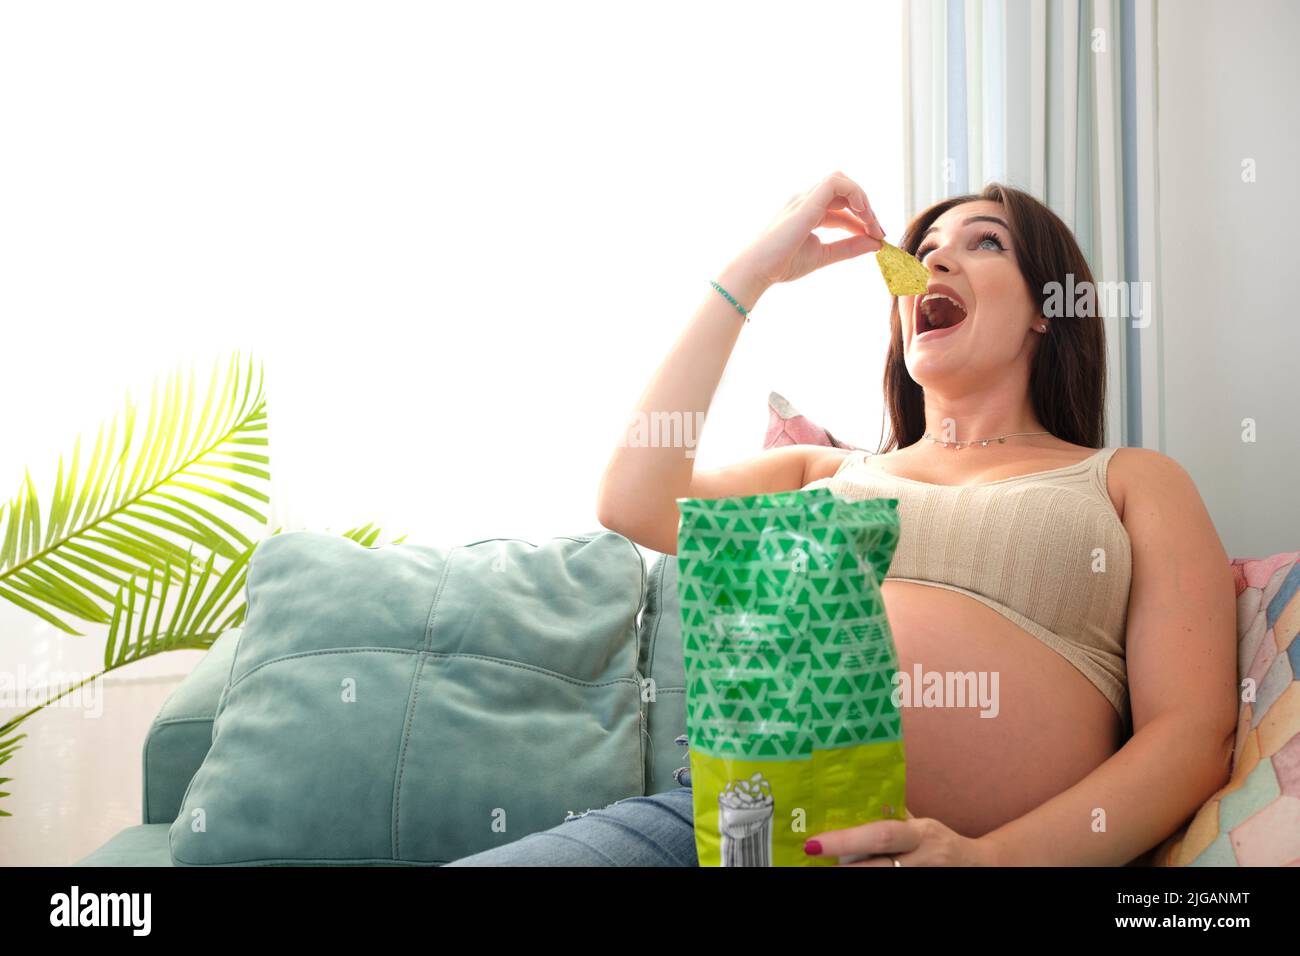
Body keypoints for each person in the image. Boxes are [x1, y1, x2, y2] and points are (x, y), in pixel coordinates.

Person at [446, 172, 1238, 867]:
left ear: (1045, 309)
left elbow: (1192, 736)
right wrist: (753, 273)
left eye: (986, 243)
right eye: (925, 246)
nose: (935, 257)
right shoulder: (825, 472)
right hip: (731, 832)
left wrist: (988, 859)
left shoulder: (1130, 481)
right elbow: (632, 498)